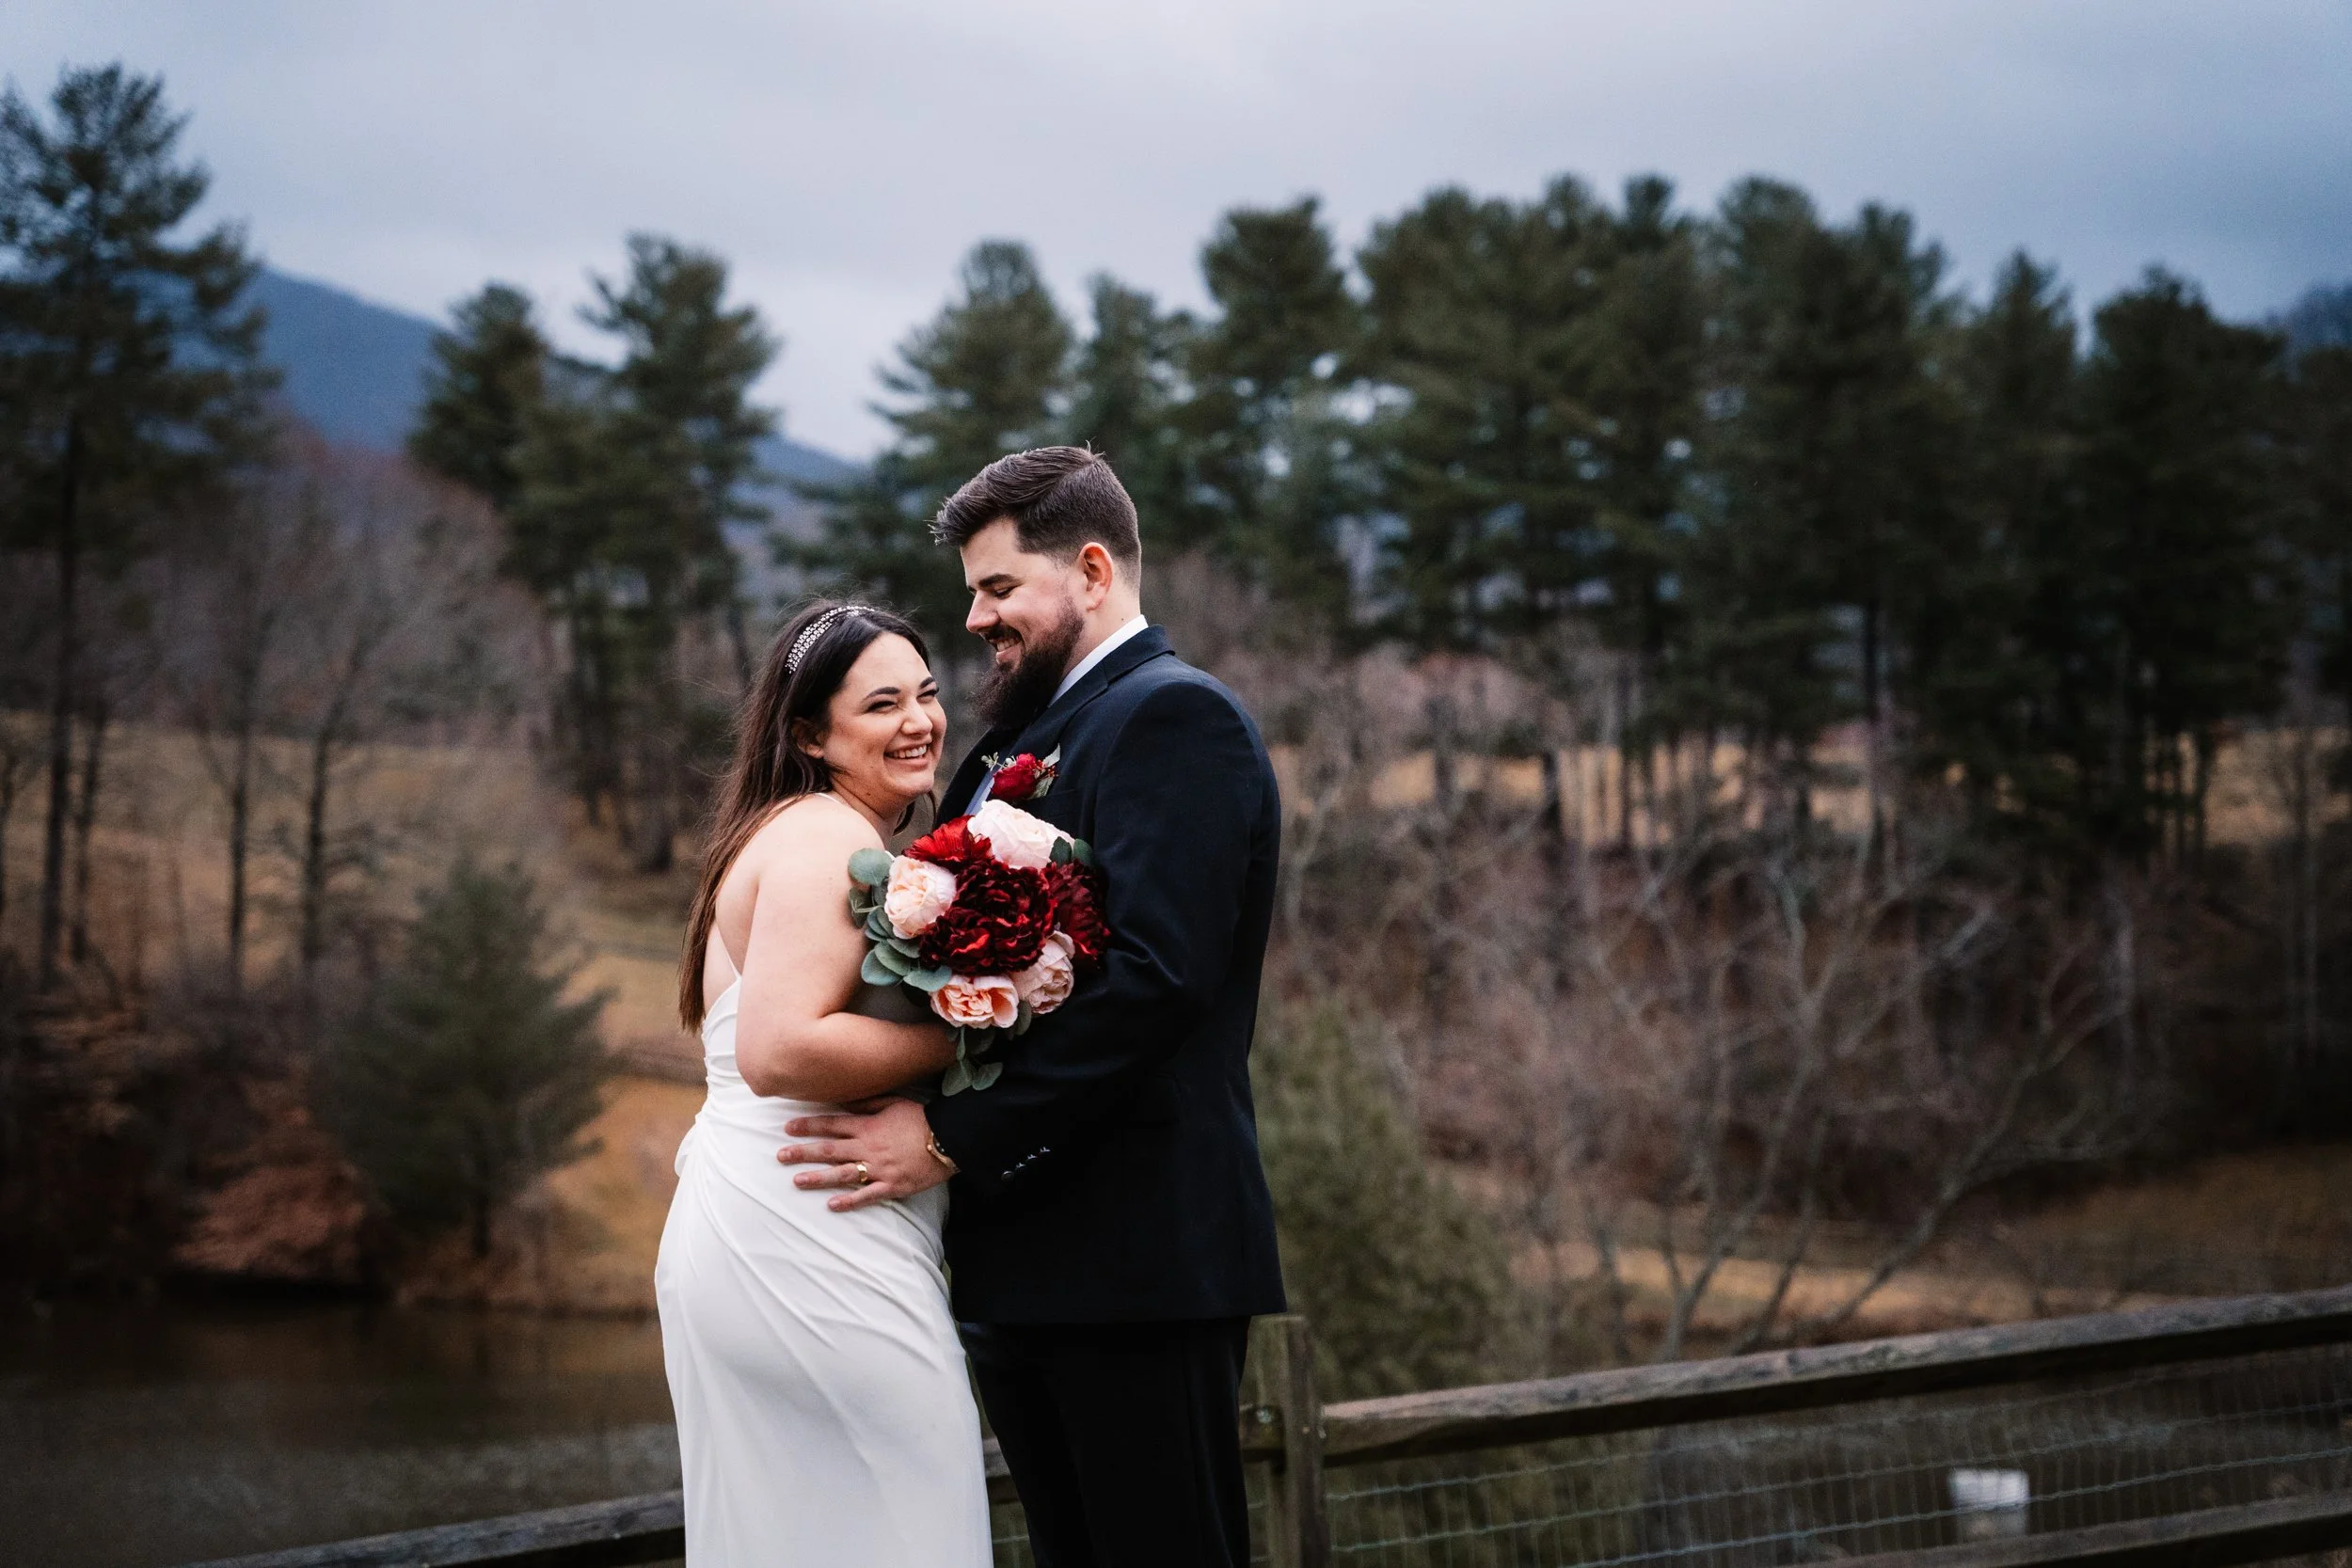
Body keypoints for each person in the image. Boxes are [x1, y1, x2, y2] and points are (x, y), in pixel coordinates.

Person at [778, 447, 1287, 1568]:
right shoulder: (1017, 740)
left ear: (1093, 570)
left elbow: (1156, 977)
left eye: (999, 587)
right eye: (972, 590)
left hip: (1140, 1258)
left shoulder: (1174, 718)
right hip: (1025, 1261)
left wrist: (951, 1136)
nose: (973, 617)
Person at [654, 601, 991, 1567]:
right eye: (881, 702)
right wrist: (975, 1021)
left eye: (926, 692)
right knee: (918, 1526)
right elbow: (781, 1049)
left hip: (774, 1222)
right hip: (809, 1242)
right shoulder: (817, 838)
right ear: (809, 732)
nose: (920, 718)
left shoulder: (794, 827)